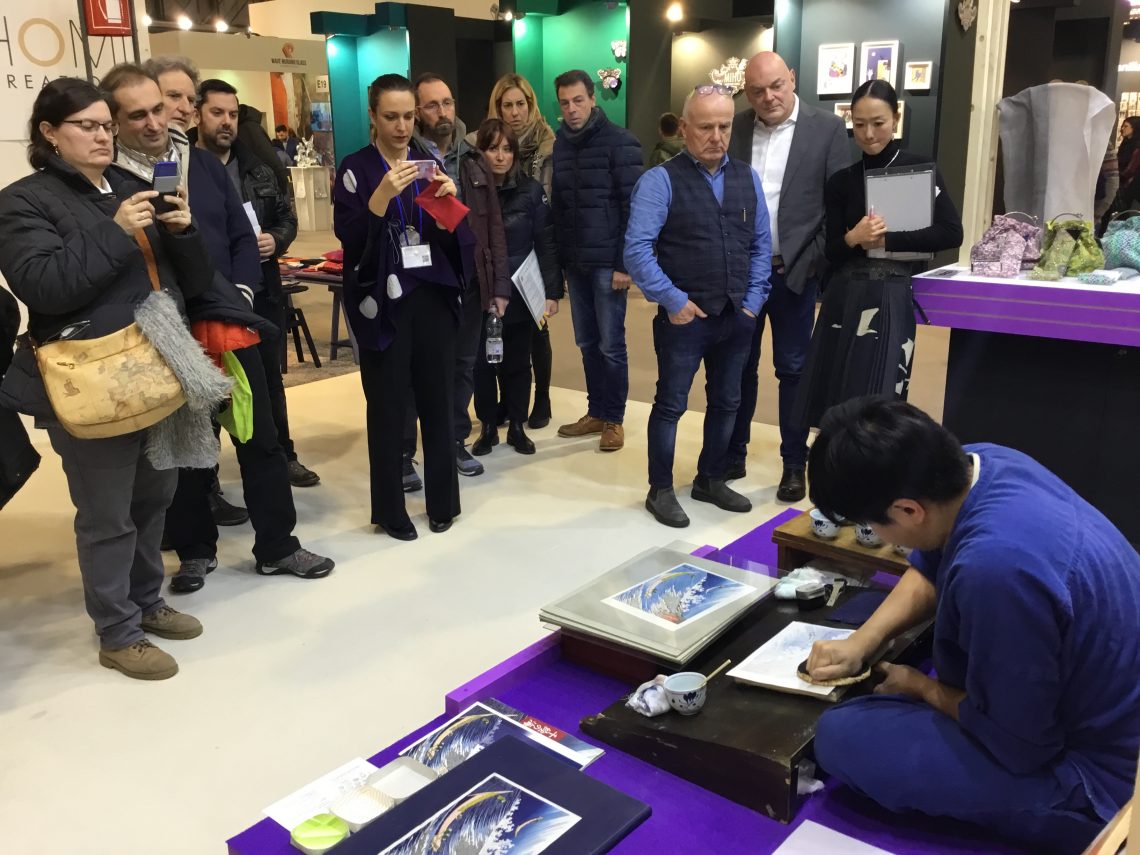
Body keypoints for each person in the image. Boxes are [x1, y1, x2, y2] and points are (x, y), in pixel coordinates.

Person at [804, 397, 1140, 854]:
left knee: (842, 737)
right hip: (1105, 703)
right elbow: (931, 561)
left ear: (908, 510)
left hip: (1105, 782)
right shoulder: (983, 463)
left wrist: (922, 688)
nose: (876, 535)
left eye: (872, 524)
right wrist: (865, 639)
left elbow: (1021, 745)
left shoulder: (995, 570)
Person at [0, 78, 211, 679]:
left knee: (154, 496)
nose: (102, 135)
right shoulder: (22, 202)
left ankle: (146, 601)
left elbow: (189, 281)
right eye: (86, 126)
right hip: (90, 381)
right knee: (107, 514)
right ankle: (117, 632)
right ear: (49, 133)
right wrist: (115, 230)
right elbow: (45, 287)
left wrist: (184, 233)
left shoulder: (128, 185)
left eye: (105, 125)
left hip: (156, 368)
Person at [104, 62, 335, 591]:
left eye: (172, 104)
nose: (164, 116)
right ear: (117, 119)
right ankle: (194, 550)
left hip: (227, 320)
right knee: (186, 445)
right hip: (163, 332)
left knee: (261, 438)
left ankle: (278, 545)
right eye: (148, 108)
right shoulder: (110, 181)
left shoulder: (203, 166)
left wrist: (244, 293)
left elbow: (240, 235)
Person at [334, 73, 473, 540]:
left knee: (438, 401)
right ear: (372, 116)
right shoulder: (356, 168)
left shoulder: (427, 163)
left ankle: (443, 502)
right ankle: (391, 510)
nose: (401, 126)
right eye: (391, 117)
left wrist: (452, 208)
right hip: (384, 303)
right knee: (388, 408)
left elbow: (452, 236)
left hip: (431, 295)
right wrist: (379, 200)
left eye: (409, 116)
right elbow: (350, 242)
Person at [625, 85, 771, 528]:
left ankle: (711, 478)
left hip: (736, 316)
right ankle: (660, 489)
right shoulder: (659, 181)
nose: (716, 136)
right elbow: (637, 251)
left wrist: (752, 303)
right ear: (684, 128)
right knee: (671, 404)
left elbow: (760, 246)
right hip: (683, 319)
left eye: (724, 126)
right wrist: (673, 300)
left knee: (728, 401)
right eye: (706, 127)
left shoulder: (747, 177)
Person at [793, 80, 962, 429]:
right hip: (844, 295)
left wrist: (885, 239)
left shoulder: (919, 169)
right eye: (859, 124)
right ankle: (833, 459)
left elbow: (951, 232)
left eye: (878, 123)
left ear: (895, 119)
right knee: (836, 393)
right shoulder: (842, 180)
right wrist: (853, 238)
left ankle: (875, 462)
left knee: (881, 396)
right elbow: (832, 251)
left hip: (892, 294)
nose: (869, 134)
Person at [726, 51, 849, 503]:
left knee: (794, 370)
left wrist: (814, 259)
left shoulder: (826, 129)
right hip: (742, 275)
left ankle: (794, 463)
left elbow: (838, 204)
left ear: (792, 78)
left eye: (776, 85)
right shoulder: (736, 127)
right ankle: (732, 454)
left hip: (794, 271)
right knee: (739, 365)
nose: (768, 97)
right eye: (757, 90)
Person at [193, 78, 320, 489]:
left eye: (232, 114)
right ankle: (207, 480)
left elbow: (286, 218)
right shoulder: (184, 171)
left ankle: (284, 456)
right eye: (217, 113)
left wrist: (276, 239)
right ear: (198, 115)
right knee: (208, 388)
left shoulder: (258, 169)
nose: (226, 122)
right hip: (206, 295)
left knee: (268, 381)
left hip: (260, 291)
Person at [550, 69, 643, 452]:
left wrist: (625, 264)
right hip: (576, 262)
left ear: (592, 98)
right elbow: (560, 205)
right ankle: (597, 411)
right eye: (564, 103)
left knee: (610, 345)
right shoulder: (561, 144)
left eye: (578, 100)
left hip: (608, 263)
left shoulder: (621, 142)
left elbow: (634, 207)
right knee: (587, 342)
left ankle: (614, 419)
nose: (572, 109)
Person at [470, 119, 562, 457]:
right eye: (493, 148)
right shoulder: (472, 191)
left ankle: (518, 427)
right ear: (481, 151)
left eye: (507, 149)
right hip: (482, 292)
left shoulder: (531, 191)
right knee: (482, 364)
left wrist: (552, 292)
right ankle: (488, 426)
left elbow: (546, 242)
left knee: (518, 363)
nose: (500, 156)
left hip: (521, 292)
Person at [413, 73, 485, 478]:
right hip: (423, 276)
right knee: (417, 367)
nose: (442, 112)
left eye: (447, 102)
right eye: (432, 105)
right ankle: (406, 450)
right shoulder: (407, 159)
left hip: (467, 275)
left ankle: (455, 439)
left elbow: (488, 218)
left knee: (463, 363)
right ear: (417, 111)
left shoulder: (473, 155)